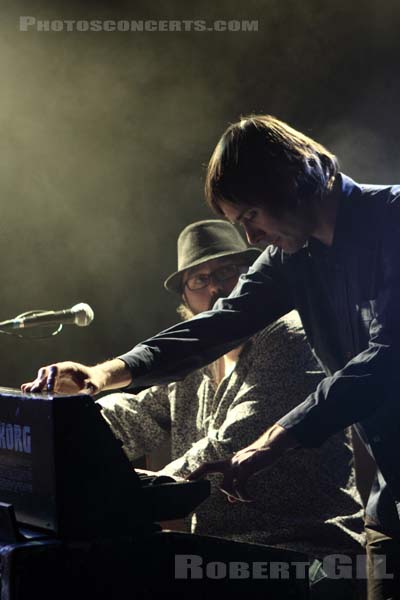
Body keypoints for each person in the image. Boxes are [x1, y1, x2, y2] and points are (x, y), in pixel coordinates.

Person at [22, 115, 400, 599]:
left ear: (294, 180)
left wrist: (274, 440)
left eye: (250, 218)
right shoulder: (292, 258)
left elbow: (386, 361)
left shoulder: (392, 221)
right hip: (390, 505)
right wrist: (103, 374)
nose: (252, 239)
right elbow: (214, 328)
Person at [97, 220, 365, 563]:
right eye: (200, 280)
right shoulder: (195, 362)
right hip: (219, 551)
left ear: (251, 276)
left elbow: (233, 443)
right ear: (185, 296)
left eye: (226, 272)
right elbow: (137, 414)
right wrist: (65, 419)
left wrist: (131, 489)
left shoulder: (288, 337)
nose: (216, 290)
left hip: (304, 549)